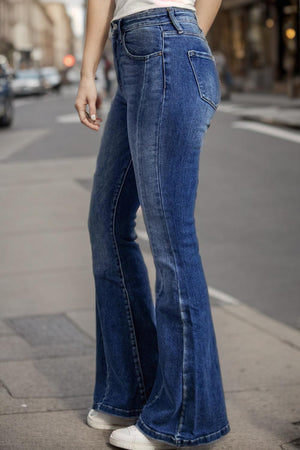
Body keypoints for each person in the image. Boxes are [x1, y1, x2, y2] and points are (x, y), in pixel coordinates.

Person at [74, 1, 230, 448]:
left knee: (171, 239)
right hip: (132, 55)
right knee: (106, 222)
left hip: (166, 43)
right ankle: (130, 390)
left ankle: (184, 419)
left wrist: (185, 40)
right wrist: (88, 73)